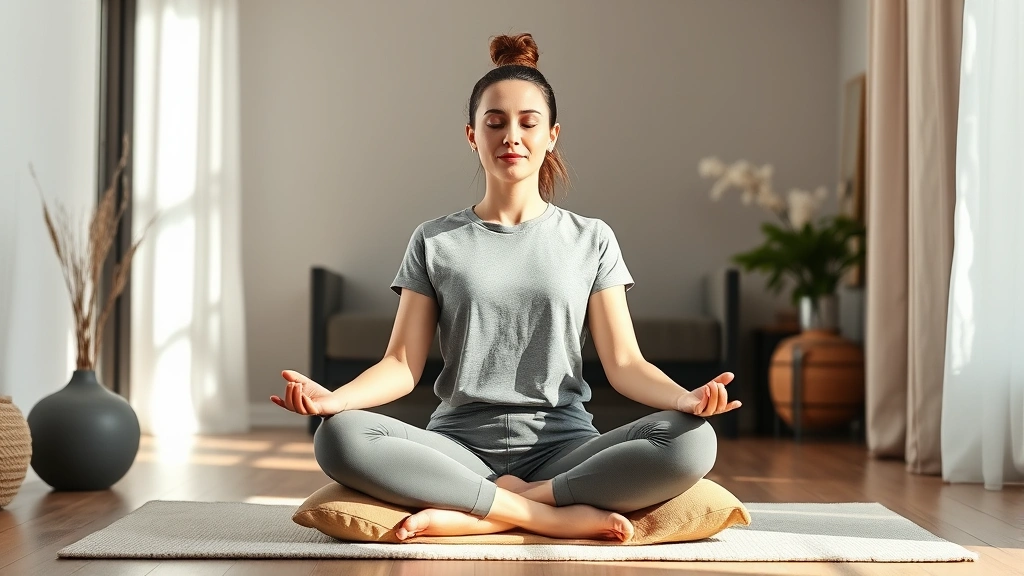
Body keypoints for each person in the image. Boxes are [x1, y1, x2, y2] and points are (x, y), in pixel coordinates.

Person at [271, 32, 740, 543]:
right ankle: (552, 518)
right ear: (472, 135)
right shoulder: (435, 239)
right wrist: (333, 402)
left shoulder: (592, 239)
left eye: (527, 123)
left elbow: (625, 364)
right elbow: (401, 365)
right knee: (339, 437)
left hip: (565, 448)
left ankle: (483, 512)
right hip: (457, 449)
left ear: (552, 135)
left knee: (693, 443)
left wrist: (687, 400)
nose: (510, 136)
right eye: (494, 123)